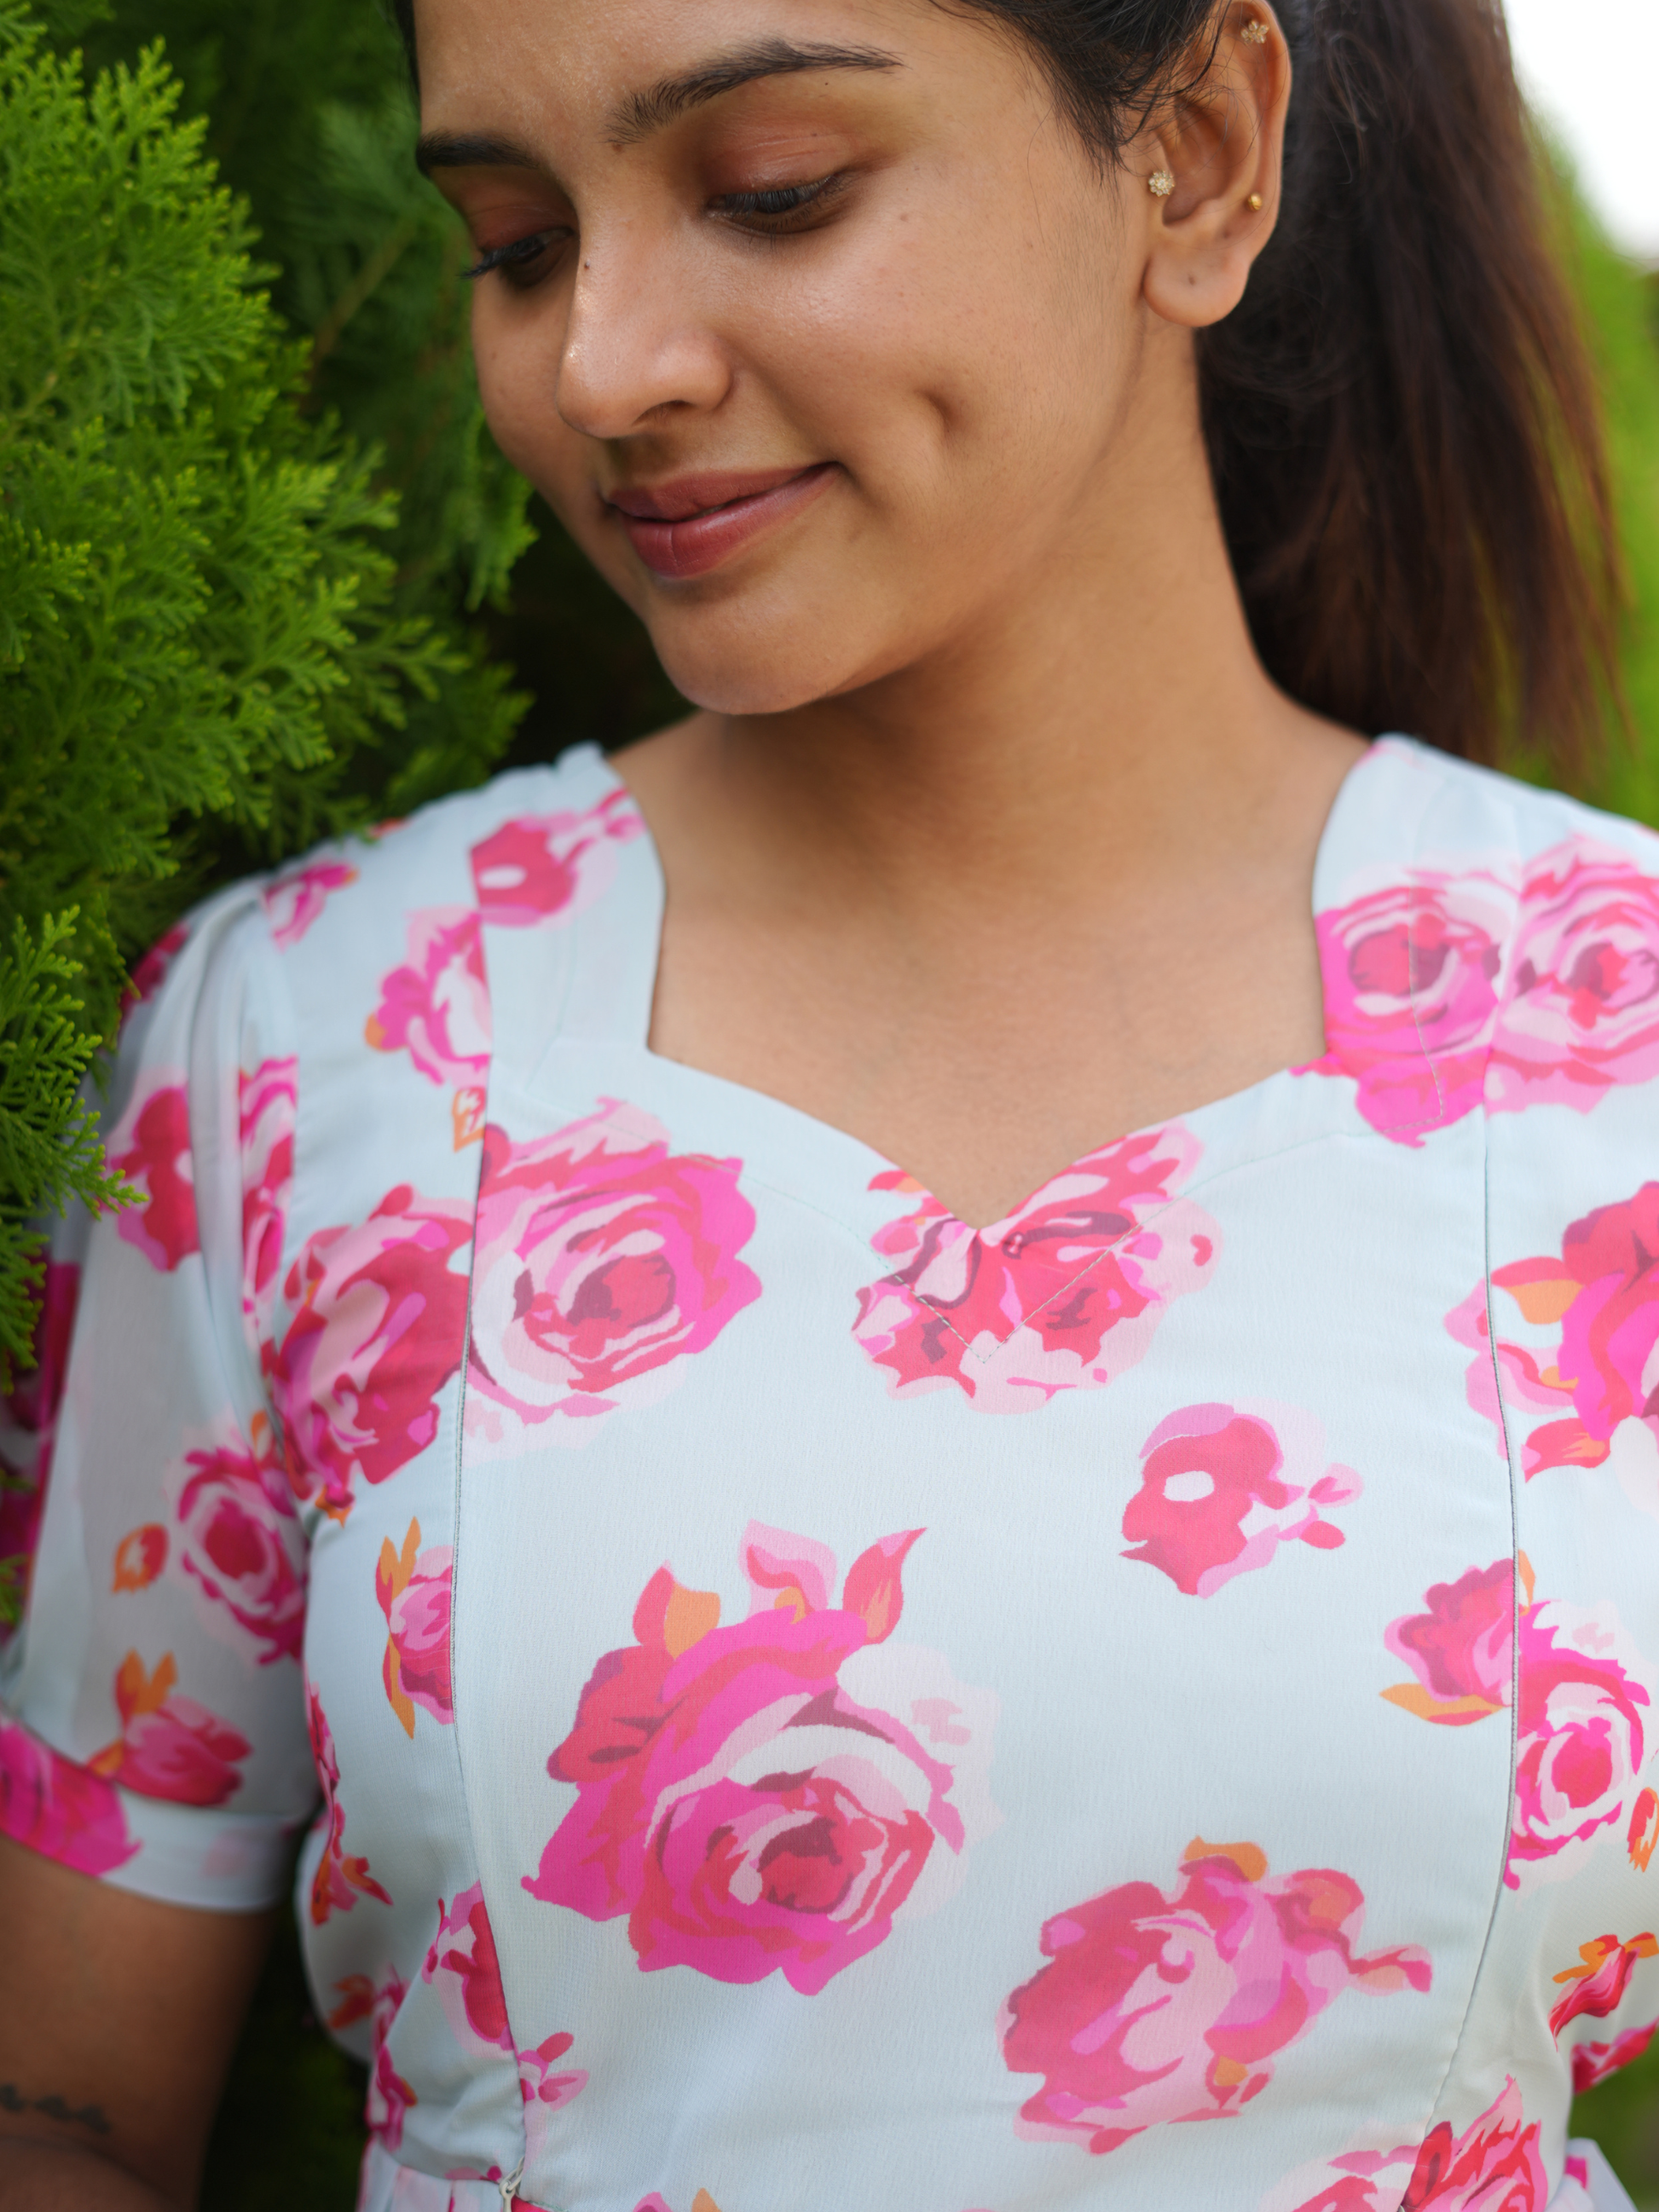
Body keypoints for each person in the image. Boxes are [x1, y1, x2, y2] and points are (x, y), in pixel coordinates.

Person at [2, 0, 1656, 2204]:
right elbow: (66, 2118)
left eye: (775, 191)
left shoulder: (1622, 1047)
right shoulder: (305, 1055)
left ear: (1198, 153)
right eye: (512, 241)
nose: (602, 365)